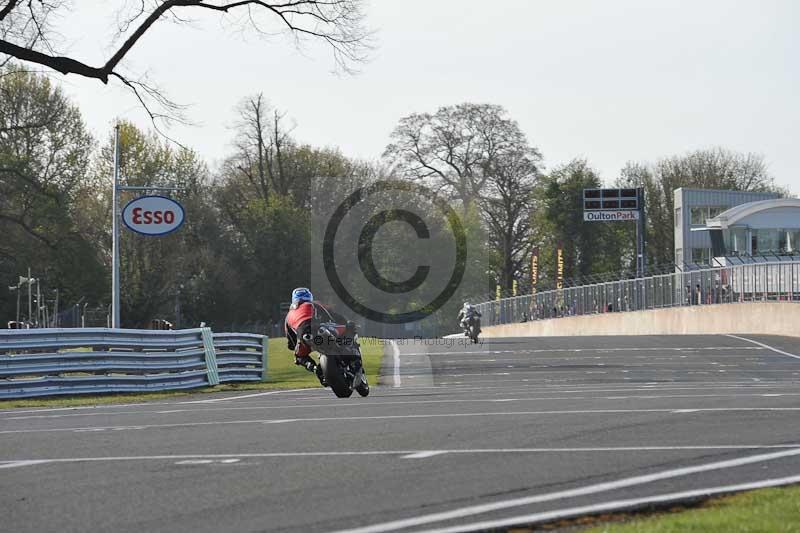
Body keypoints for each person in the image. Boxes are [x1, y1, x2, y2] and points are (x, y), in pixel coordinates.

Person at [284, 287, 354, 386]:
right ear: (309, 297)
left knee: (299, 357)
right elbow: (331, 315)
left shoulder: (288, 317)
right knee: (348, 328)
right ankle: (352, 356)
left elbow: (291, 343)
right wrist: (345, 323)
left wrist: (295, 344)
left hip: (304, 338)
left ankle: (316, 369)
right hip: (319, 330)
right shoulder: (313, 304)